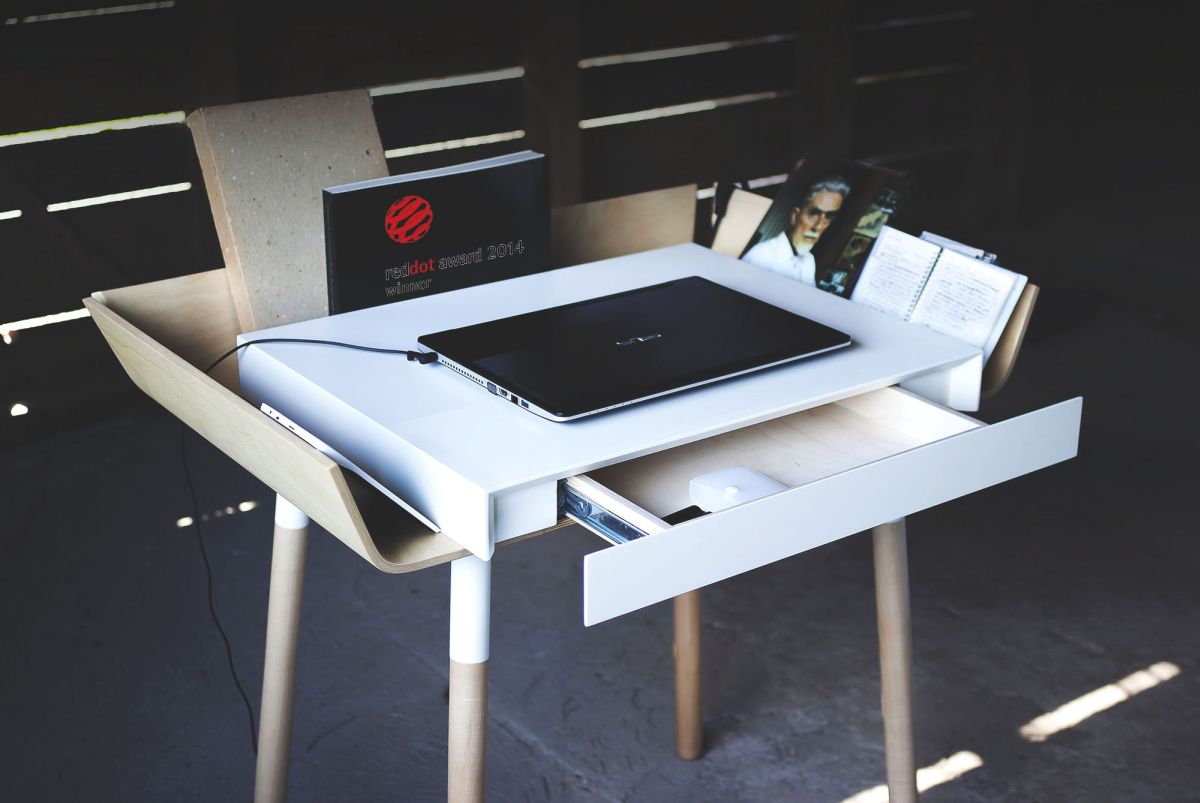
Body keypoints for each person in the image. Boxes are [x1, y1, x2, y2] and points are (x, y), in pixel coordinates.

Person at [742, 176, 850, 285]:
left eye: (828, 216)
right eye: (813, 214)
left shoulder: (809, 261)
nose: (818, 226)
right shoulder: (761, 256)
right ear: (795, 216)